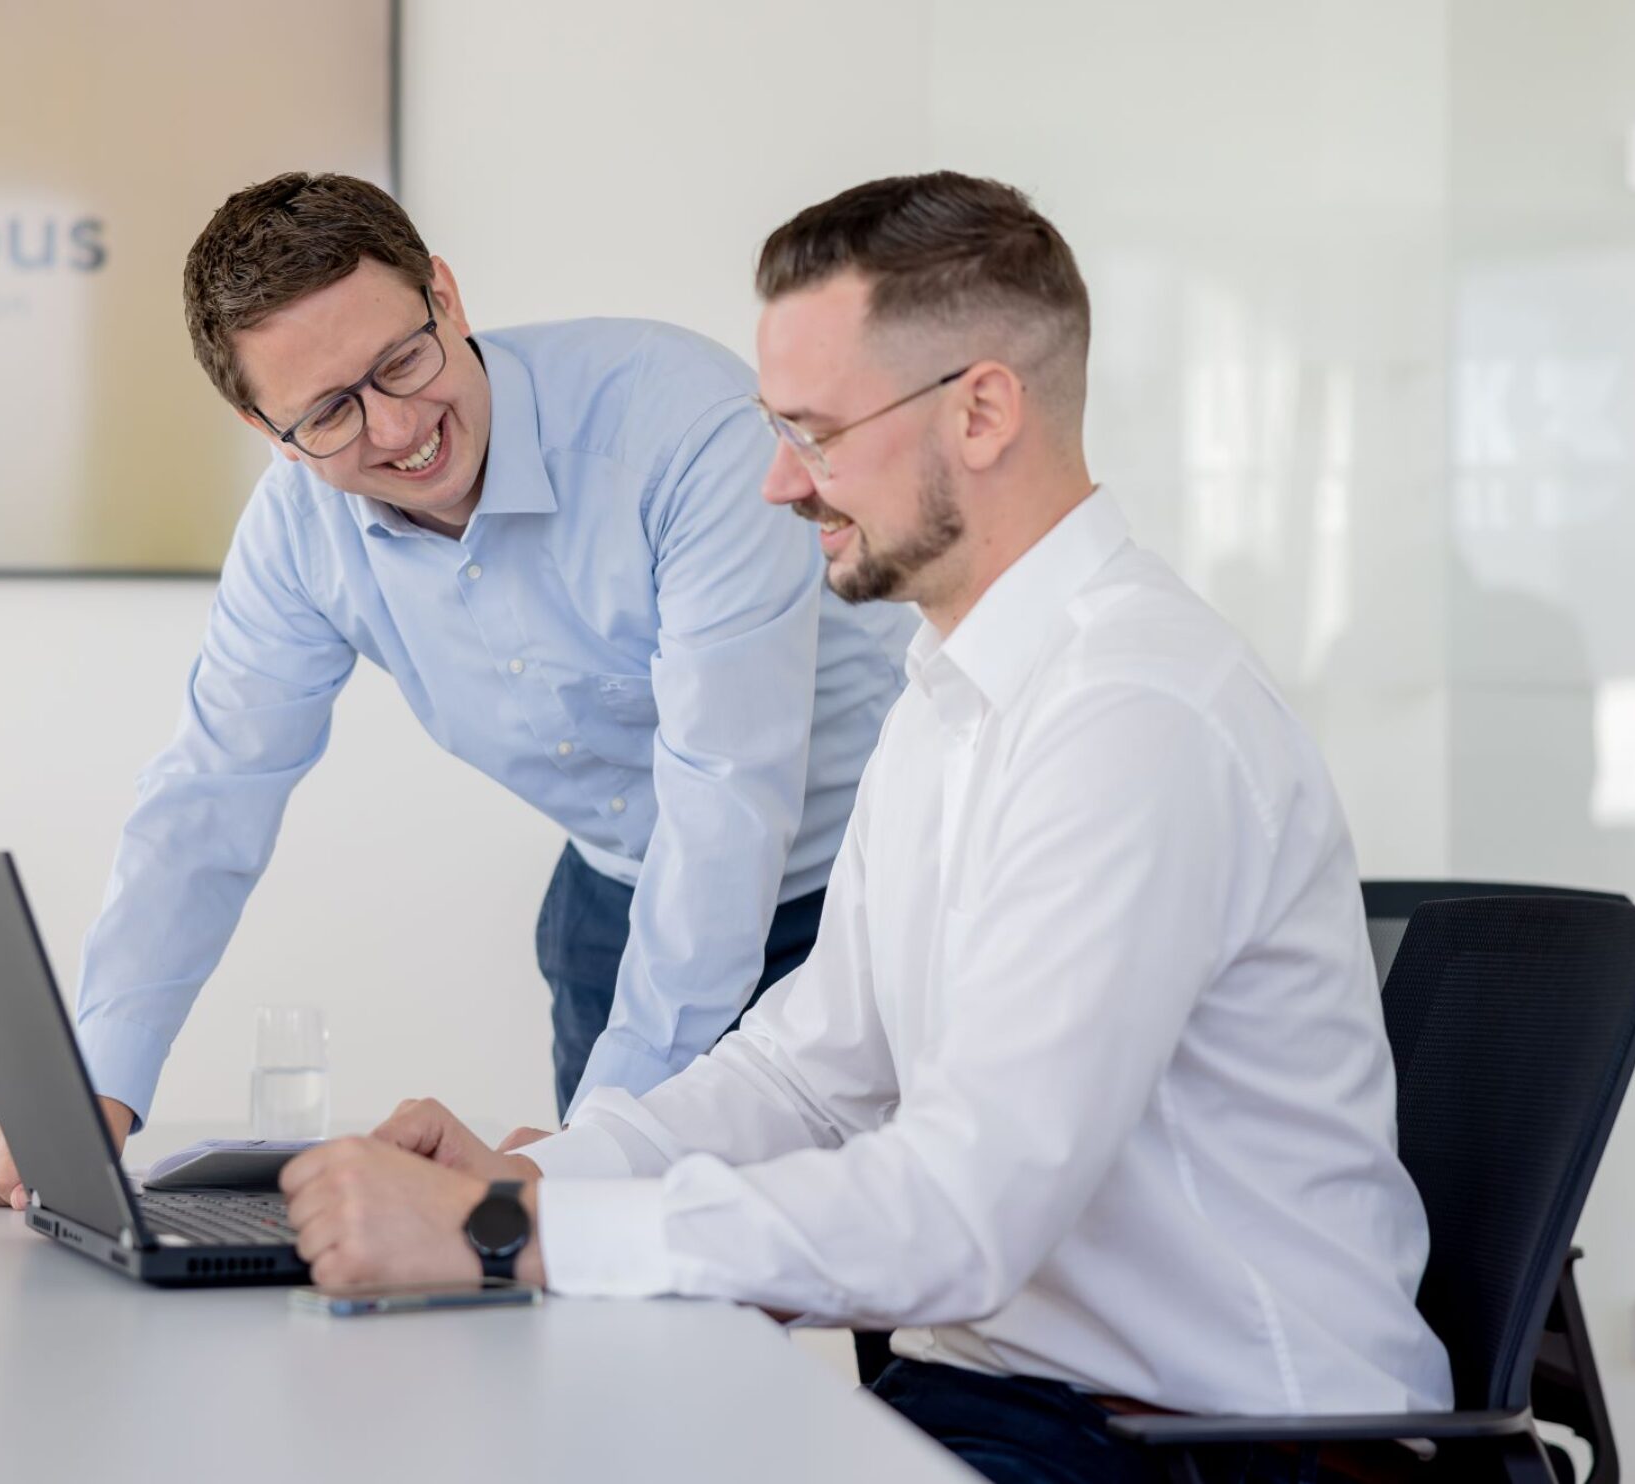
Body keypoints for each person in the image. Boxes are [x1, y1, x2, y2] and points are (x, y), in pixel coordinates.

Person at [273, 172, 1454, 1484]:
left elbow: (960, 1213)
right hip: (1029, 1404)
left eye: (815, 433)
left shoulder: (1133, 717)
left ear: (982, 410)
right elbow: (807, 1070)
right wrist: (542, 1171)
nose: (778, 483)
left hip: (1234, 1445)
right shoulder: (956, 694)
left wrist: (506, 1233)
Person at [0, 172, 913, 1206]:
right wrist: (94, 1086)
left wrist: (583, 1149)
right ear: (261, 426)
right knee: (622, 1319)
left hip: (852, 892)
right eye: (325, 411)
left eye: (401, 361)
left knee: (874, 1271)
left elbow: (725, 800)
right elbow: (208, 793)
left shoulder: (683, 427)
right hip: (613, 903)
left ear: (445, 297)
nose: (394, 426)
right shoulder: (297, 530)